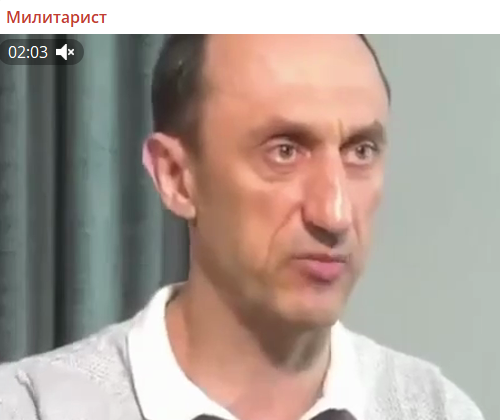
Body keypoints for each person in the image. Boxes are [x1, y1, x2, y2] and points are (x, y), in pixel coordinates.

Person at [0, 35, 484, 420]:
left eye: (360, 151)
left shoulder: (437, 410)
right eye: (284, 151)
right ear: (176, 177)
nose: (335, 213)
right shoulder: (33, 407)